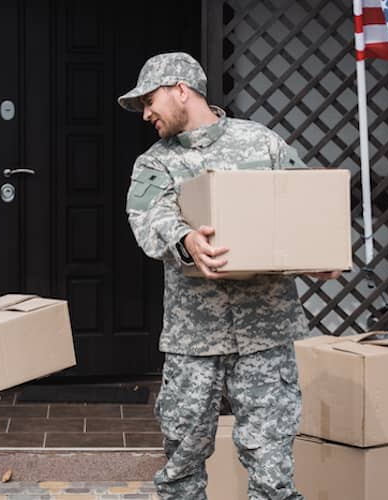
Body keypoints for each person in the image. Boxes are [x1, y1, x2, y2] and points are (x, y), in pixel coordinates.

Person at [118, 52, 340, 499]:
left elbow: (304, 206)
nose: (145, 113)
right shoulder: (153, 163)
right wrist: (187, 240)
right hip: (193, 339)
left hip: (266, 333)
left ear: (181, 89)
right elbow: (150, 219)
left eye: (149, 100)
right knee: (182, 464)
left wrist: (320, 251)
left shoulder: (263, 144)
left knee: (272, 468)